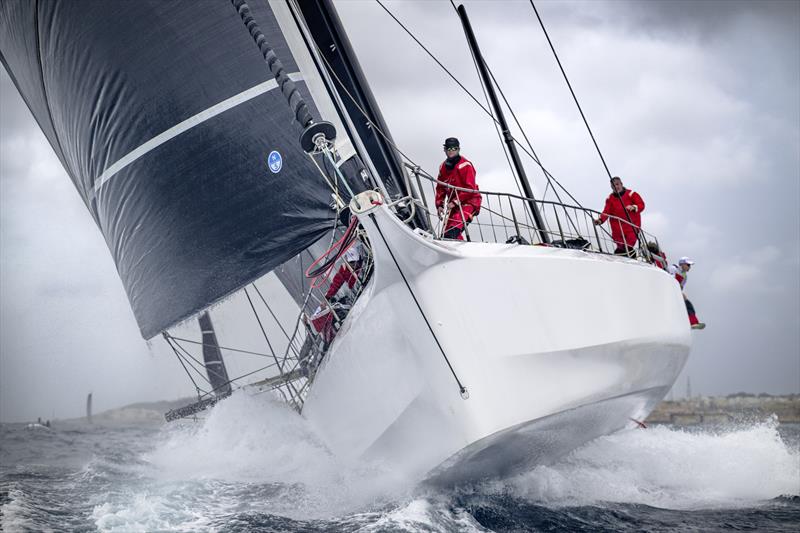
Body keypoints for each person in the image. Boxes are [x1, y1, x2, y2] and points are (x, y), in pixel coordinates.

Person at [435, 137, 481, 240]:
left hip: (469, 202)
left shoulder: (466, 165)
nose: (451, 151)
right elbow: (440, 187)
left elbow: (470, 188)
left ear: (458, 149)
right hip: (454, 206)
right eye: (449, 149)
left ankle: (464, 251)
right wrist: (439, 204)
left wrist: (455, 201)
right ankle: (459, 250)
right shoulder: (442, 167)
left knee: (453, 231)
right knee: (445, 236)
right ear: (445, 150)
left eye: (454, 149)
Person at [594, 176, 645, 256]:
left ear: (621, 184)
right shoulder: (610, 199)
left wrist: (634, 207)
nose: (616, 187)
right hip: (617, 229)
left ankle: (630, 257)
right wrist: (600, 220)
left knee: (628, 246)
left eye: (617, 184)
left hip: (631, 227)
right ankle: (623, 257)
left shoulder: (632, 194)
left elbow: (641, 204)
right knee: (620, 247)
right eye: (613, 186)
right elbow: (606, 211)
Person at [668, 256, 706, 330]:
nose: (689, 267)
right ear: (682, 264)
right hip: (670, 291)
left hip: (676, 293)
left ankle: (693, 322)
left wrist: (681, 293)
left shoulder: (685, 276)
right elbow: (670, 281)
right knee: (686, 304)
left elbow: (681, 287)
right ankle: (691, 322)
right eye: (688, 265)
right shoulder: (673, 268)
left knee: (689, 305)